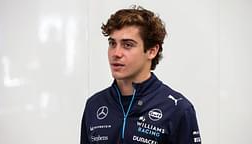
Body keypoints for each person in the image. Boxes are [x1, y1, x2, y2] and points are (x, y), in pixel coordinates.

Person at [81, 5, 201, 144]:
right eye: (112, 43)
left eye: (127, 45)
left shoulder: (177, 108)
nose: (116, 53)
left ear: (152, 51)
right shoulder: (94, 104)